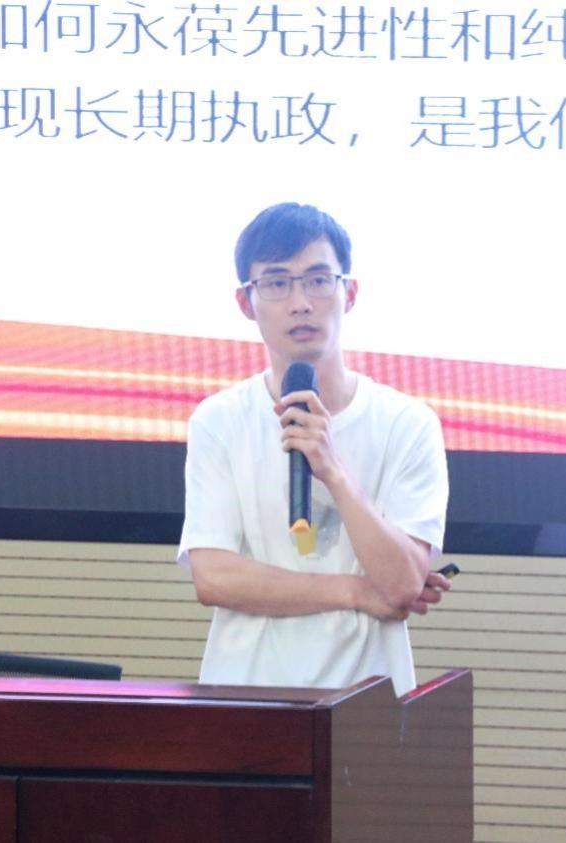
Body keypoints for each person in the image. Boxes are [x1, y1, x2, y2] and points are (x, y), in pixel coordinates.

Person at [177, 202, 451, 697]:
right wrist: (355, 590)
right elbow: (214, 577)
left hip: (369, 699)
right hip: (246, 697)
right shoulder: (218, 420)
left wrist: (334, 472)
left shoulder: (408, 424)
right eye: (277, 283)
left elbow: (403, 584)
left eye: (318, 280)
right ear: (246, 302)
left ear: (349, 293)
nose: (300, 302)